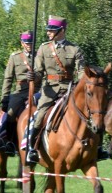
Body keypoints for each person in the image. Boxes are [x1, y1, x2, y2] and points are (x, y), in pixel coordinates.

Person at [25, 15, 85, 165]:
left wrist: (80, 84)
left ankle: (96, 148)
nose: (48, 33)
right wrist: (34, 75)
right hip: (50, 89)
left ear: (62, 31)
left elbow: (82, 71)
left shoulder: (75, 49)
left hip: (70, 88)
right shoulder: (44, 48)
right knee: (39, 117)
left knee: (88, 113)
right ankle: (33, 148)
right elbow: (39, 71)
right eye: (48, 30)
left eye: (52, 30)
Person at [0, 31, 39, 154]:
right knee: (10, 113)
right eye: (26, 43)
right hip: (20, 91)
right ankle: (9, 141)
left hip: (37, 90)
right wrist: (5, 97)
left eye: (31, 42)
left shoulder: (39, 55)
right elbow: (8, 78)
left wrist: (35, 76)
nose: (29, 45)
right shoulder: (15, 57)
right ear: (22, 43)